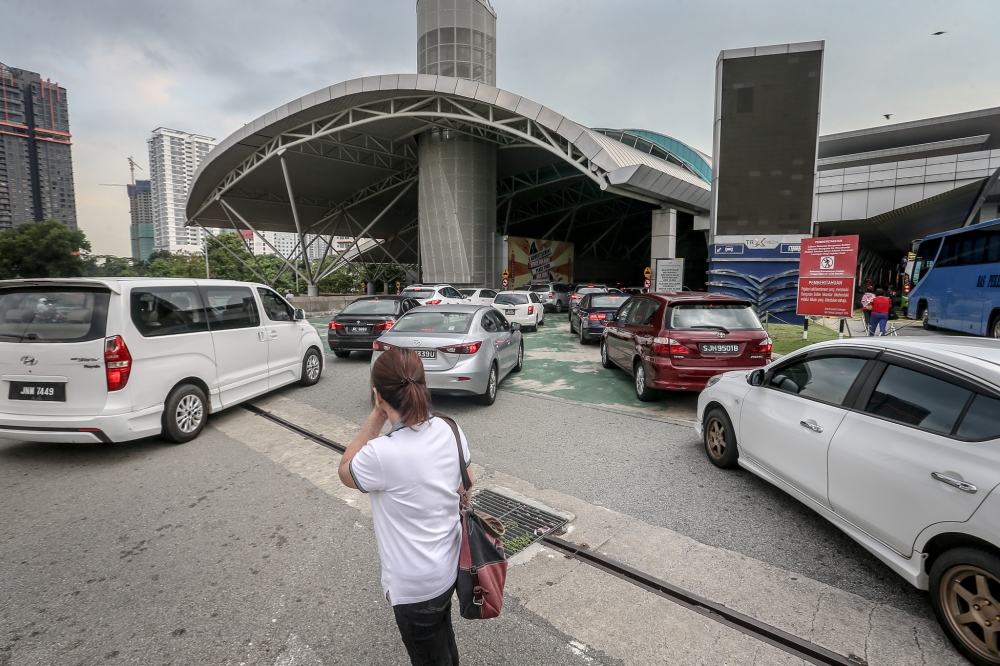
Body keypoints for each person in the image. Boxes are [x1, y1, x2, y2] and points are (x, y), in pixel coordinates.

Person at [338, 347, 473, 666]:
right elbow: (466, 485)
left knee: (429, 655)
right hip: (451, 568)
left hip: (414, 588)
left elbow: (345, 470)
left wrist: (376, 414)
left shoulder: (382, 454)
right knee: (444, 640)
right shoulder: (449, 428)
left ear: (379, 395)